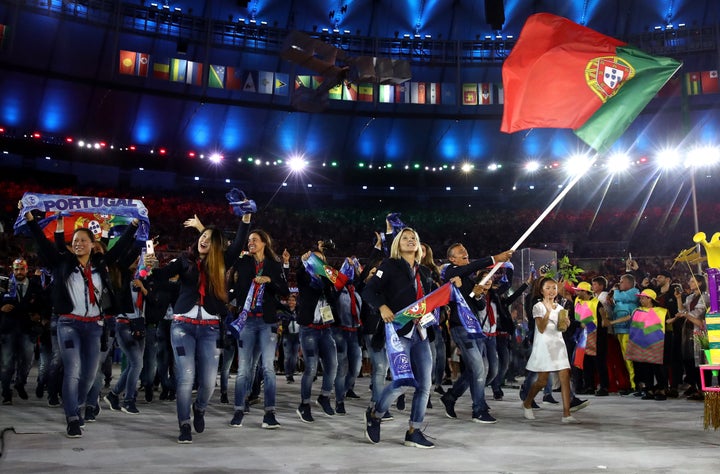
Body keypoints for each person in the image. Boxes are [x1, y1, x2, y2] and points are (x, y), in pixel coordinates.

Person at [24, 210, 139, 438]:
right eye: (75, 241)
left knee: (89, 374)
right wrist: (30, 221)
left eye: (83, 241)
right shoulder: (63, 263)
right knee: (73, 370)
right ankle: (72, 418)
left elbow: (120, 247)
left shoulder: (101, 263)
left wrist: (134, 224)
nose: (78, 244)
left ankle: (75, 406)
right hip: (68, 324)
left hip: (94, 326)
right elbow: (42, 243)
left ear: (92, 244)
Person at [145, 213, 246, 444]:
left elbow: (239, 242)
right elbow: (161, 275)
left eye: (210, 239)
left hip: (210, 328)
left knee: (209, 381)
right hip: (182, 326)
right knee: (186, 377)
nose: (204, 240)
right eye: (203, 236)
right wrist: (149, 265)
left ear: (217, 246)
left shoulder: (222, 262)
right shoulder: (183, 259)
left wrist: (246, 218)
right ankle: (184, 424)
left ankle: (199, 408)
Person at [363, 228, 456, 448]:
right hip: (399, 333)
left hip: (421, 334)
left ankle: (413, 431)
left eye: (413, 237)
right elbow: (369, 291)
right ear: (397, 244)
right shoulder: (389, 265)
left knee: (425, 384)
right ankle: (375, 415)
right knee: (402, 382)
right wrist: (383, 306)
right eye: (405, 238)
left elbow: (431, 300)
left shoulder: (424, 272)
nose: (410, 240)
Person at [439, 243, 513, 424]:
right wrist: (494, 259)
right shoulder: (450, 273)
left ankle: (451, 396)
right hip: (461, 328)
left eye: (466, 250)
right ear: (452, 259)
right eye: (460, 252)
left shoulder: (469, 278)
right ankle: (478, 409)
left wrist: (478, 294)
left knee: (477, 368)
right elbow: (471, 268)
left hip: (475, 328)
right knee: (480, 368)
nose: (466, 253)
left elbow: (479, 306)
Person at [227, 224, 289, 429]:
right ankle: (238, 409)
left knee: (268, 368)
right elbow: (232, 279)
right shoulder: (243, 261)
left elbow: (285, 290)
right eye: (249, 240)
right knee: (245, 368)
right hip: (247, 321)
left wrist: (269, 280)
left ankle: (269, 413)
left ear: (264, 243)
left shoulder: (273, 264)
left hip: (267, 322)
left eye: (254, 240)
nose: (250, 243)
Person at [521, 277, 579, 423]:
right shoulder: (538, 307)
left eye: (554, 287)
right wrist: (547, 311)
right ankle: (527, 402)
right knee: (542, 381)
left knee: (565, 377)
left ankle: (567, 414)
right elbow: (540, 328)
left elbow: (562, 329)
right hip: (544, 346)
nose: (551, 291)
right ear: (541, 290)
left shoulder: (560, 308)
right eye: (548, 288)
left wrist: (566, 323)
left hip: (558, 345)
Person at [295, 241, 340, 423]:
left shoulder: (328, 281)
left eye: (322, 260)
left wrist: (327, 281)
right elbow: (299, 276)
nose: (319, 262)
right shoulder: (305, 277)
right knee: (311, 368)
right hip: (309, 330)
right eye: (316, 259)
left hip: (326, 329)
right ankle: (304, 405)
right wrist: (303, 263)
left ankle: (324, 397)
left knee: (333, 365)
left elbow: (334, 296)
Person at [1, 258, 46, 405]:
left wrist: (39, 316)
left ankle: (20, 383)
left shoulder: (34, 284)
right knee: (7, 363)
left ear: (27, 270)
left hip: (27, 328)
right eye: (16, 269)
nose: (19, 272)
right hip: (8, 328)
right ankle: (6, 392)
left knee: (27, 360)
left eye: (22, 269)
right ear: (12, 270)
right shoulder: (4, 283)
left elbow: (42, 301)